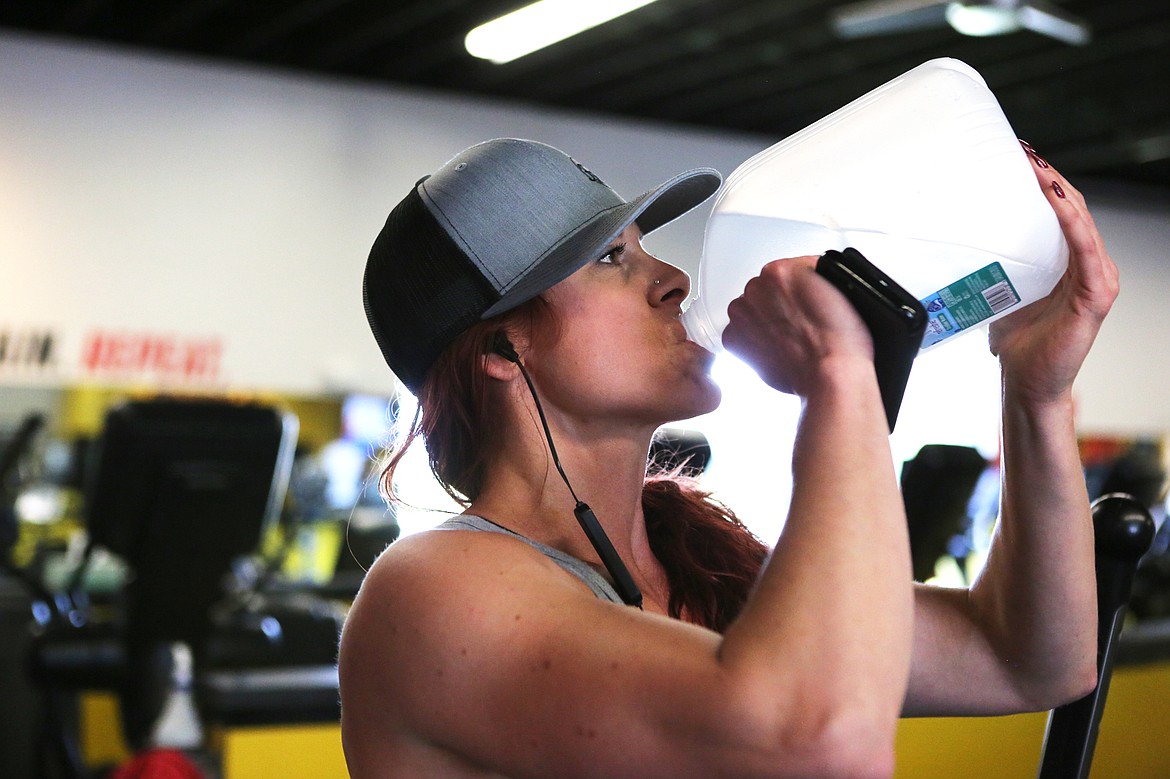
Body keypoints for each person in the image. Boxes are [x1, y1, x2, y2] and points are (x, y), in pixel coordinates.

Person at [339, 137, 1118, 778]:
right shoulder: (433, 593)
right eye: (612, 258)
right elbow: (821, 743)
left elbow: (1030, 659)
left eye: (647, 250)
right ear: (502, 348)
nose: (673, 280)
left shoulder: (699, 563)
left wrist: (1035, 392)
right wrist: (840, 376)